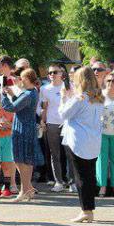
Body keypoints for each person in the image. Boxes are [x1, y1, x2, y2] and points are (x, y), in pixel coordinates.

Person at [59, 66, 104, 222]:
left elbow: (63, 114)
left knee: (81, 177)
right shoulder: (98, 96)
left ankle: (86, 210)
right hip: (93, 140)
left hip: (78, 141)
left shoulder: (80, 98)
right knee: (89, 176)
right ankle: (88, 209)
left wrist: (63, 98)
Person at [1, 68, 40, 202]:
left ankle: (25, 190)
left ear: (27, 79)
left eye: (22, 78)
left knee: (20, 159)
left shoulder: (28, 94)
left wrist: (4, 95)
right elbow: (20, 104)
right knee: (26, 161)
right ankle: (27, 190)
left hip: (22, 128)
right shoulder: (32, 92)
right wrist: (12, 95)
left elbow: (11, 108)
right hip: (27, 127)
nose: (19, 80)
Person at [41, 64, 70, 192]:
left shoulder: (69, 86)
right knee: (55, 154)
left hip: (68, 123)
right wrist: (43, 120)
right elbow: (41, 107)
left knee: (70, 154)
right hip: (52, 123)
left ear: (61, 73)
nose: (52, 75)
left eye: (55, 72)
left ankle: (73, 181)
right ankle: (58, 181)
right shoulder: (44, 89)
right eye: (50, 73)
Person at [0, 89, 16, 197]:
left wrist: (8, 126)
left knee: (6, 164)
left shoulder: (11, 111)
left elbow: (15, 125)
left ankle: (7, 188)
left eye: (1, 98)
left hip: (7, 138)